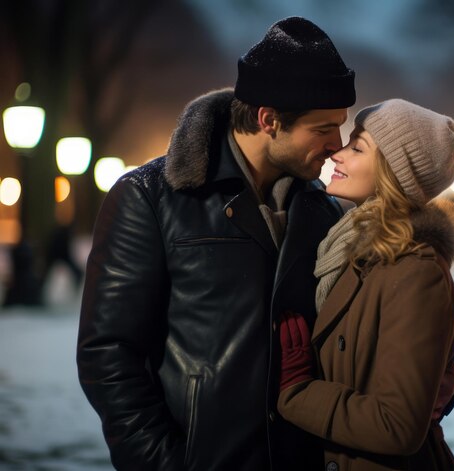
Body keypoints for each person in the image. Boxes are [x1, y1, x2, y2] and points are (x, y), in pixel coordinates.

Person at [77, 17, 355, 471]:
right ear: (268, 119)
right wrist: (164, 462)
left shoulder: (322, 210)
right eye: (322, 128)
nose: (336, 144)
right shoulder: (151, 197)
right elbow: (108, 353)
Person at [278, 99, 454, 470]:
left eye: (357, 147)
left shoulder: (415, 270)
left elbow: (397, 425)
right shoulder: (350, 244)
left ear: (392, 173)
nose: (338, 154)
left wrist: (298, 391)